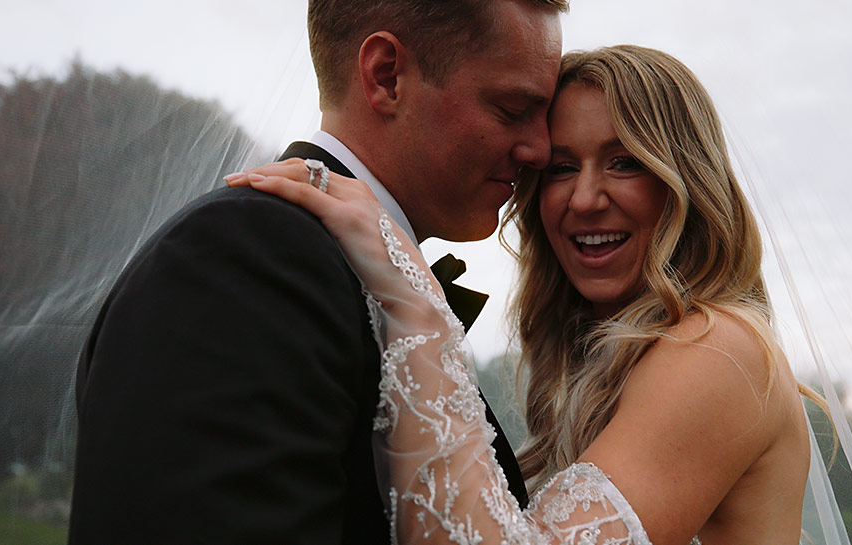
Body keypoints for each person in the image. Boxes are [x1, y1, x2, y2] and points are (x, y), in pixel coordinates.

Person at [229, 45, 830, 545]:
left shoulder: (719, 350)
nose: (585, 198)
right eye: (563, 168)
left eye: (624, 163)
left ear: (684, 184)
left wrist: (412, 300)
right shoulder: (609, 359)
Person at [68, 0, 566, 543]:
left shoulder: (332, 268)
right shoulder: (249, 259)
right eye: (513, 109)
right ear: (386, 76)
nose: (542, 149)